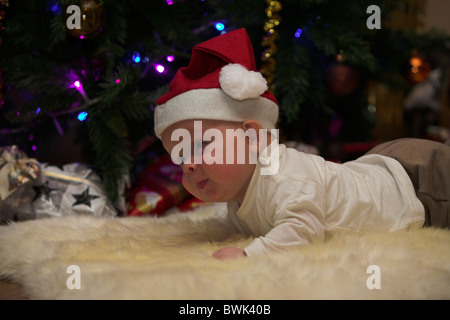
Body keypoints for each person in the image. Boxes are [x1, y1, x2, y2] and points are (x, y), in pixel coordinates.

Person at [153, 28, 450, 260]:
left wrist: (250, 254)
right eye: (179, 156)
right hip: (379, 165)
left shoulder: (284, 176)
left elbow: (304, 229)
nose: (188, 164)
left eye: (200, 145)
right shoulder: (238, 195)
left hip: (416, 188)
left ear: (253, 137)